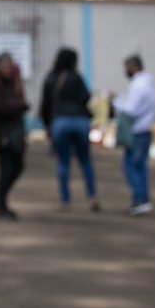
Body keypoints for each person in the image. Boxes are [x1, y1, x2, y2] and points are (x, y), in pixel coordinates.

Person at [40, 48, 99, 211]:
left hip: (60, 122)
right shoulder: (76, 77)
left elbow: (45, 104)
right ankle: (92, 197)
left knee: (63, 161)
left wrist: (47, 126)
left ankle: (65, 199)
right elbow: (87, 97)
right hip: (80, 121)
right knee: (85, 161)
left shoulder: (50, 78)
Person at [0, 53, 28, 220]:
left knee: (17, 166)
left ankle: (0, 201)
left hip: (13, 131)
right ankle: (1, 203)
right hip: (3, 134)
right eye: (5, 65)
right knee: (6, 168)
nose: (8, 68)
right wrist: (18, 106)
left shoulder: (13, 83)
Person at [114, 54, 155, 215]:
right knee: (140, 167)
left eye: (126, 67)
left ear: (134, 67)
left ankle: (140, 200)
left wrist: (116, 102)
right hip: (144, 131)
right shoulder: (148, 83)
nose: (125, 71)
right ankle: (143, 200)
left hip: (138, 132)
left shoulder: (139, 85)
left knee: (130, 166)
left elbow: (131, 110)